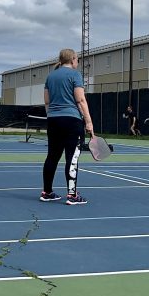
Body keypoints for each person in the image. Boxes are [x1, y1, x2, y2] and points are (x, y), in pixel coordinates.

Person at [41, 48, 94, 205]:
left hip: (53, 121)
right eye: (77, 59)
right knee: (72, 159)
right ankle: (72, 195)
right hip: (72, 121)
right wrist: (89, 122)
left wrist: (52, 116)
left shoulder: (50, 76)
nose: (77, 62)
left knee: (52, 156)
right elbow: (80, 100)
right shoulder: (75, 75)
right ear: (72, 59)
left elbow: (46, 102)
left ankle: (47, 192)